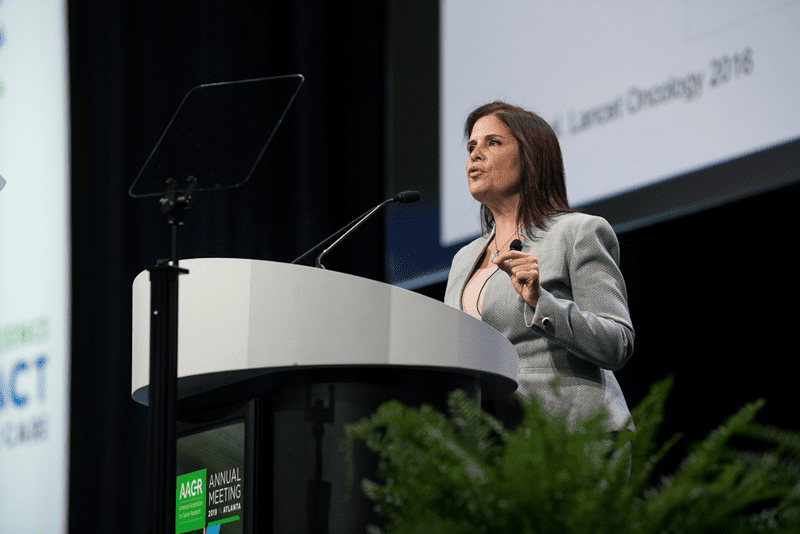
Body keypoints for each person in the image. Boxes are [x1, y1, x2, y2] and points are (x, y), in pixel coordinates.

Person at [444, 101, 635, 434]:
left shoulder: (578, 232)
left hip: (577, 435)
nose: (475, 154)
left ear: (530, 156)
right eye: (472, 146)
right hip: (498, 443)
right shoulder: (464, 260)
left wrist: (540, 302)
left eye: (493, 142)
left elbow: (617, 342)